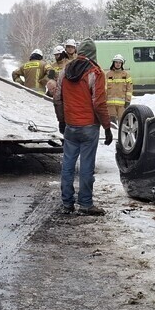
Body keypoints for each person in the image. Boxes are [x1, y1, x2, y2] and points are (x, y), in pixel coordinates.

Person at [52, 39, 112, 216]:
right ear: (93, 53)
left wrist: (62, 120)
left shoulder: (65, 70)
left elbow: (57, 98)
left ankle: (67, 203)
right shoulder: (95, 72)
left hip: (71, 125)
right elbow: (99, 103)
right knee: (87, 166)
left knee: (68, 165)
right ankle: (85, 204)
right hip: (89, 126)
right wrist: (107, 127)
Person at [105, 54, 133, 125]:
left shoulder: (126, 75)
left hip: (122, 105)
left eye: (119, 63)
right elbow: (104, 88)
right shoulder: (108, 75)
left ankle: (121, 136)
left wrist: (128, 101)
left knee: (122, 123)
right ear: (113, 63)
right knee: (112, 125)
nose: (118, 64)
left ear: (122, 64)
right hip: (110, 105)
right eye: (116, 62)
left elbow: (129, 89)